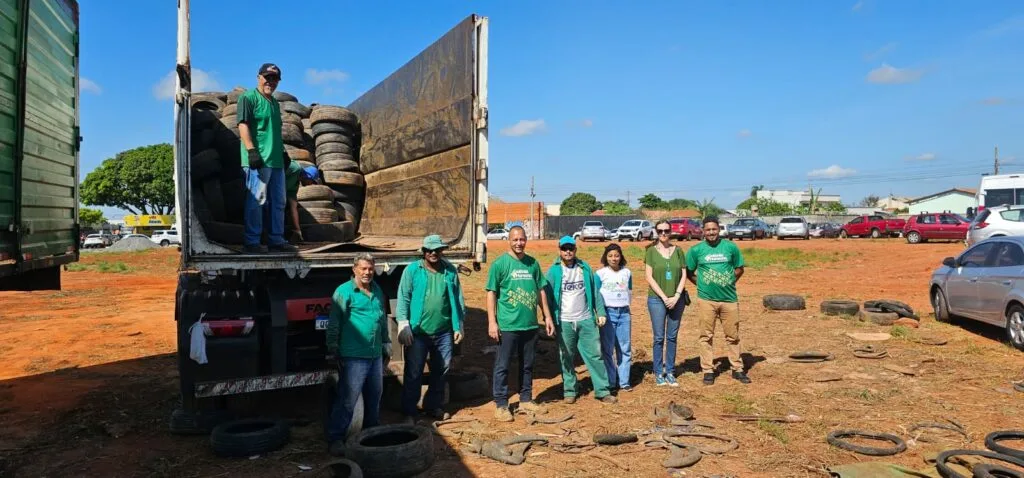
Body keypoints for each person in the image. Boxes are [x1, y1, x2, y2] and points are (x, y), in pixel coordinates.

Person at [485, 225, 554, 422]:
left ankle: (526, 399)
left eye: (522, 239)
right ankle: (501, 404)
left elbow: (541, 291)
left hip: (530, 326)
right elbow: (491, 293)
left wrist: (546, 316)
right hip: (508, 326)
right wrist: (492, 322)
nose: (519, 243)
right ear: (509, 240)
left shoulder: (533, 263)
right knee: (503, 365)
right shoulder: (500, 264)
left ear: (526, 240)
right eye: (515, 239)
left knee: (528, 365)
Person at [325, 253, 391, 456]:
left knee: (375, 396)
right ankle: (335, 438)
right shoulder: (344, 292)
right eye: (363, 268)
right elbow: (335, 322)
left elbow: (381, 319)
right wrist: (332, 348)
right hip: (354, 356)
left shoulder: (377, 289)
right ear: (354, 269)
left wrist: (386, 342)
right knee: (348, 398)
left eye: (370, 268)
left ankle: (371, 434)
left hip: (375, 354)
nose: (367, 272)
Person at [396, 235, 467, 422]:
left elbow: (458, 299)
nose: (433, 253)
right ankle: (409, 412)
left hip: (443, 331)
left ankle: (433, 406)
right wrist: (403, 324)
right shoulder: (412, 271)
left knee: (441, 369)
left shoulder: (450, 271)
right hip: (418, 332)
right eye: (429, 250)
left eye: (437, 250)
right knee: (414, 371)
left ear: (442, 250)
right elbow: (403, 298)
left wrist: (459, 324)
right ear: (424, 252)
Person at [546, 236, 616, 404]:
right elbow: (546, 297)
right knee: (566, 356)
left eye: (571, 248)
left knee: (595, 355)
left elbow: (595, 291)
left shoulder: (584, 268)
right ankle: (570, 390)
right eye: (564, 248)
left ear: (575, 250)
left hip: (586, 319)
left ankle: (602, 390)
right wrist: (548, 318)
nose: (568, 251)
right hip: (564, 321)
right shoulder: (554, 271)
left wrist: (600, 312)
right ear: (559, 250)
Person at [237, 63, 296, 253]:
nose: (270, 82)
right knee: (257, 200)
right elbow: (243, 125)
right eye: (267, 78)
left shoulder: (275, 103)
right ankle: (252, 241)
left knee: (279, 201)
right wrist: (251, 151)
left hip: (276, 160)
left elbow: (275, 132)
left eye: (274, 79)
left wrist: (284, 153)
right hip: (259, 160)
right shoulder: (248, 98)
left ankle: (276, 239)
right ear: (258, 77)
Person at [685, 217, 749, 386]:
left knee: (733, 336)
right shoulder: (696, 250)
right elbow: (689, 271)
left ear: (719, 229)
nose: (711, 232)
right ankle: (708, 370)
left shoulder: (730, 247)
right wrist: (701, 284)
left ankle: (737, 368)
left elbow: (739, 268)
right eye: (708, 230)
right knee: (705, 336)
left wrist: (728, 281)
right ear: (703, 231)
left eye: (714, 229)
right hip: (706, 300)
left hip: (729, 299)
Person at [645, 219, 687, 387]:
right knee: (659, 337)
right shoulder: (650, 252)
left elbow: (684, 274)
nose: (663, 234)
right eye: (660, 231)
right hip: (657, 299)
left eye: (666, 231)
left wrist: (677, 295)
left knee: (672, 336)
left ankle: (670, 370)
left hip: (677, 299)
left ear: (671, 232)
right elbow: (649, 276)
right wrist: (664, 297)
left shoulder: (678, 251)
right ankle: (658, 371)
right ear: (656, 232)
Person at [596, 243, 633, 392]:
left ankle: (624, 381)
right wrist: (599, 313)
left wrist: (626, 305)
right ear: (606, 257)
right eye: (610, 256)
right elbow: (596, 294)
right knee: (608, 349)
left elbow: (630, 290)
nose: (614, 258)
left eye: (616, 255)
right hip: (608, 313)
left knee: (624, 347)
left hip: (624, 313)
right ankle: (611, 381)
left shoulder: (627, 273)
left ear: (621, 257)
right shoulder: (600, 274)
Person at [285, 164, 320, 243]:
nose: (311, 184)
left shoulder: (294, 186)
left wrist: (297, 230)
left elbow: (293, 207)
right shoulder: (295, 168)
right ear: (308, 176)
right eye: (312, 181)